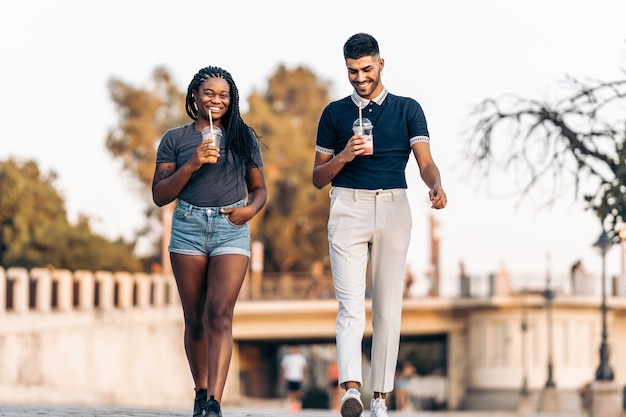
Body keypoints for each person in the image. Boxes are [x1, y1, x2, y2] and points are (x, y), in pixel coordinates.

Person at [312, 33, 447, 417]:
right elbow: (318, 177)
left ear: (381, 64)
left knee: (388, 307)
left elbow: (425, 161)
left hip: (393, 206)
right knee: (350, 306)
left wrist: (436, 185)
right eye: (353, 71)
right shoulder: (334, 114)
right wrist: (342, 156)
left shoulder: (408, 109)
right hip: (347, 206)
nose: (360, 78)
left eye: (367, 69)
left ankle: (380, 399)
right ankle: (351, 391)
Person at [152, 66, 267, 417]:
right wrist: (193, 163)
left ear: (231, 100)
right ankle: (201, 392)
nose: (217, 100)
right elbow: (160, 195)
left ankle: (215, 403)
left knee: (219, 314)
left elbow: (260, 190)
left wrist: (248, 211)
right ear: (194, 97)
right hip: (187, 226)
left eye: (224, 95)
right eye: (209, 93)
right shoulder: (175, 139)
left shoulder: (243, 137)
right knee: (196, 320)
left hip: (230, 227)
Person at [280, 345, 308, 412]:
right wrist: (282, 378)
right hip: (289, 377)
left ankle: (297, 402)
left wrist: (304, 377)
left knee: (298, 392)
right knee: (290, 392)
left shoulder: (300, 357)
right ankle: (292, 404)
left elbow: (304, 368)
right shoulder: (286, 358)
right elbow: (283, 368)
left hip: (297, 377)